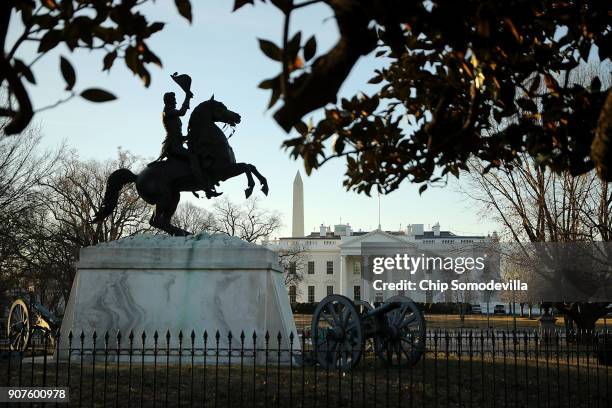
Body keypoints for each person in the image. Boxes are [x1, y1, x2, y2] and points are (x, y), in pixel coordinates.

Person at [157, 91, 221, 198]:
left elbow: (178, 135)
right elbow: (182, 112)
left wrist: (189, 135)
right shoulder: (167, 113)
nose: (176, 102)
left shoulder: (173, 114)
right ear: (169, 101)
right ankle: (205, 187)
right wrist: (187, 97)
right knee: (193, 157)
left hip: (178, 144)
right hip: (172, 146)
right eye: (174, 100)